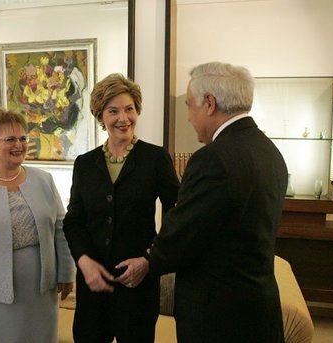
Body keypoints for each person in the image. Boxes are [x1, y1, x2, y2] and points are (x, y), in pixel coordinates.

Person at [150, 62, 287, 342]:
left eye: (190, 105)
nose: (188, 117)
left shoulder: (212, 159)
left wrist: (149, 260)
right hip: (258, 306)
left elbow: (183, 235)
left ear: (209, 103)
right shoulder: (270, 151)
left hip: (219, 316)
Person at [63, 73, 179, 343]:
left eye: (129, 109)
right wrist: (83, 261)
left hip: (137, 285)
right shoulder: (85, 164)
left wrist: (150, 260)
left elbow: (178, 213)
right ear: (100, 115)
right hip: (93, 287)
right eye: (113, 111)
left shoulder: (156, 158)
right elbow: (73, 221)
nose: (123, 118)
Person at [0, 107, 75, 343]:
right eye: (10, 139)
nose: (19, 144)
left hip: (42, 287)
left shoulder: (44, 179)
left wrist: (67, 273)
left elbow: (61, 229)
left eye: (23, 138)